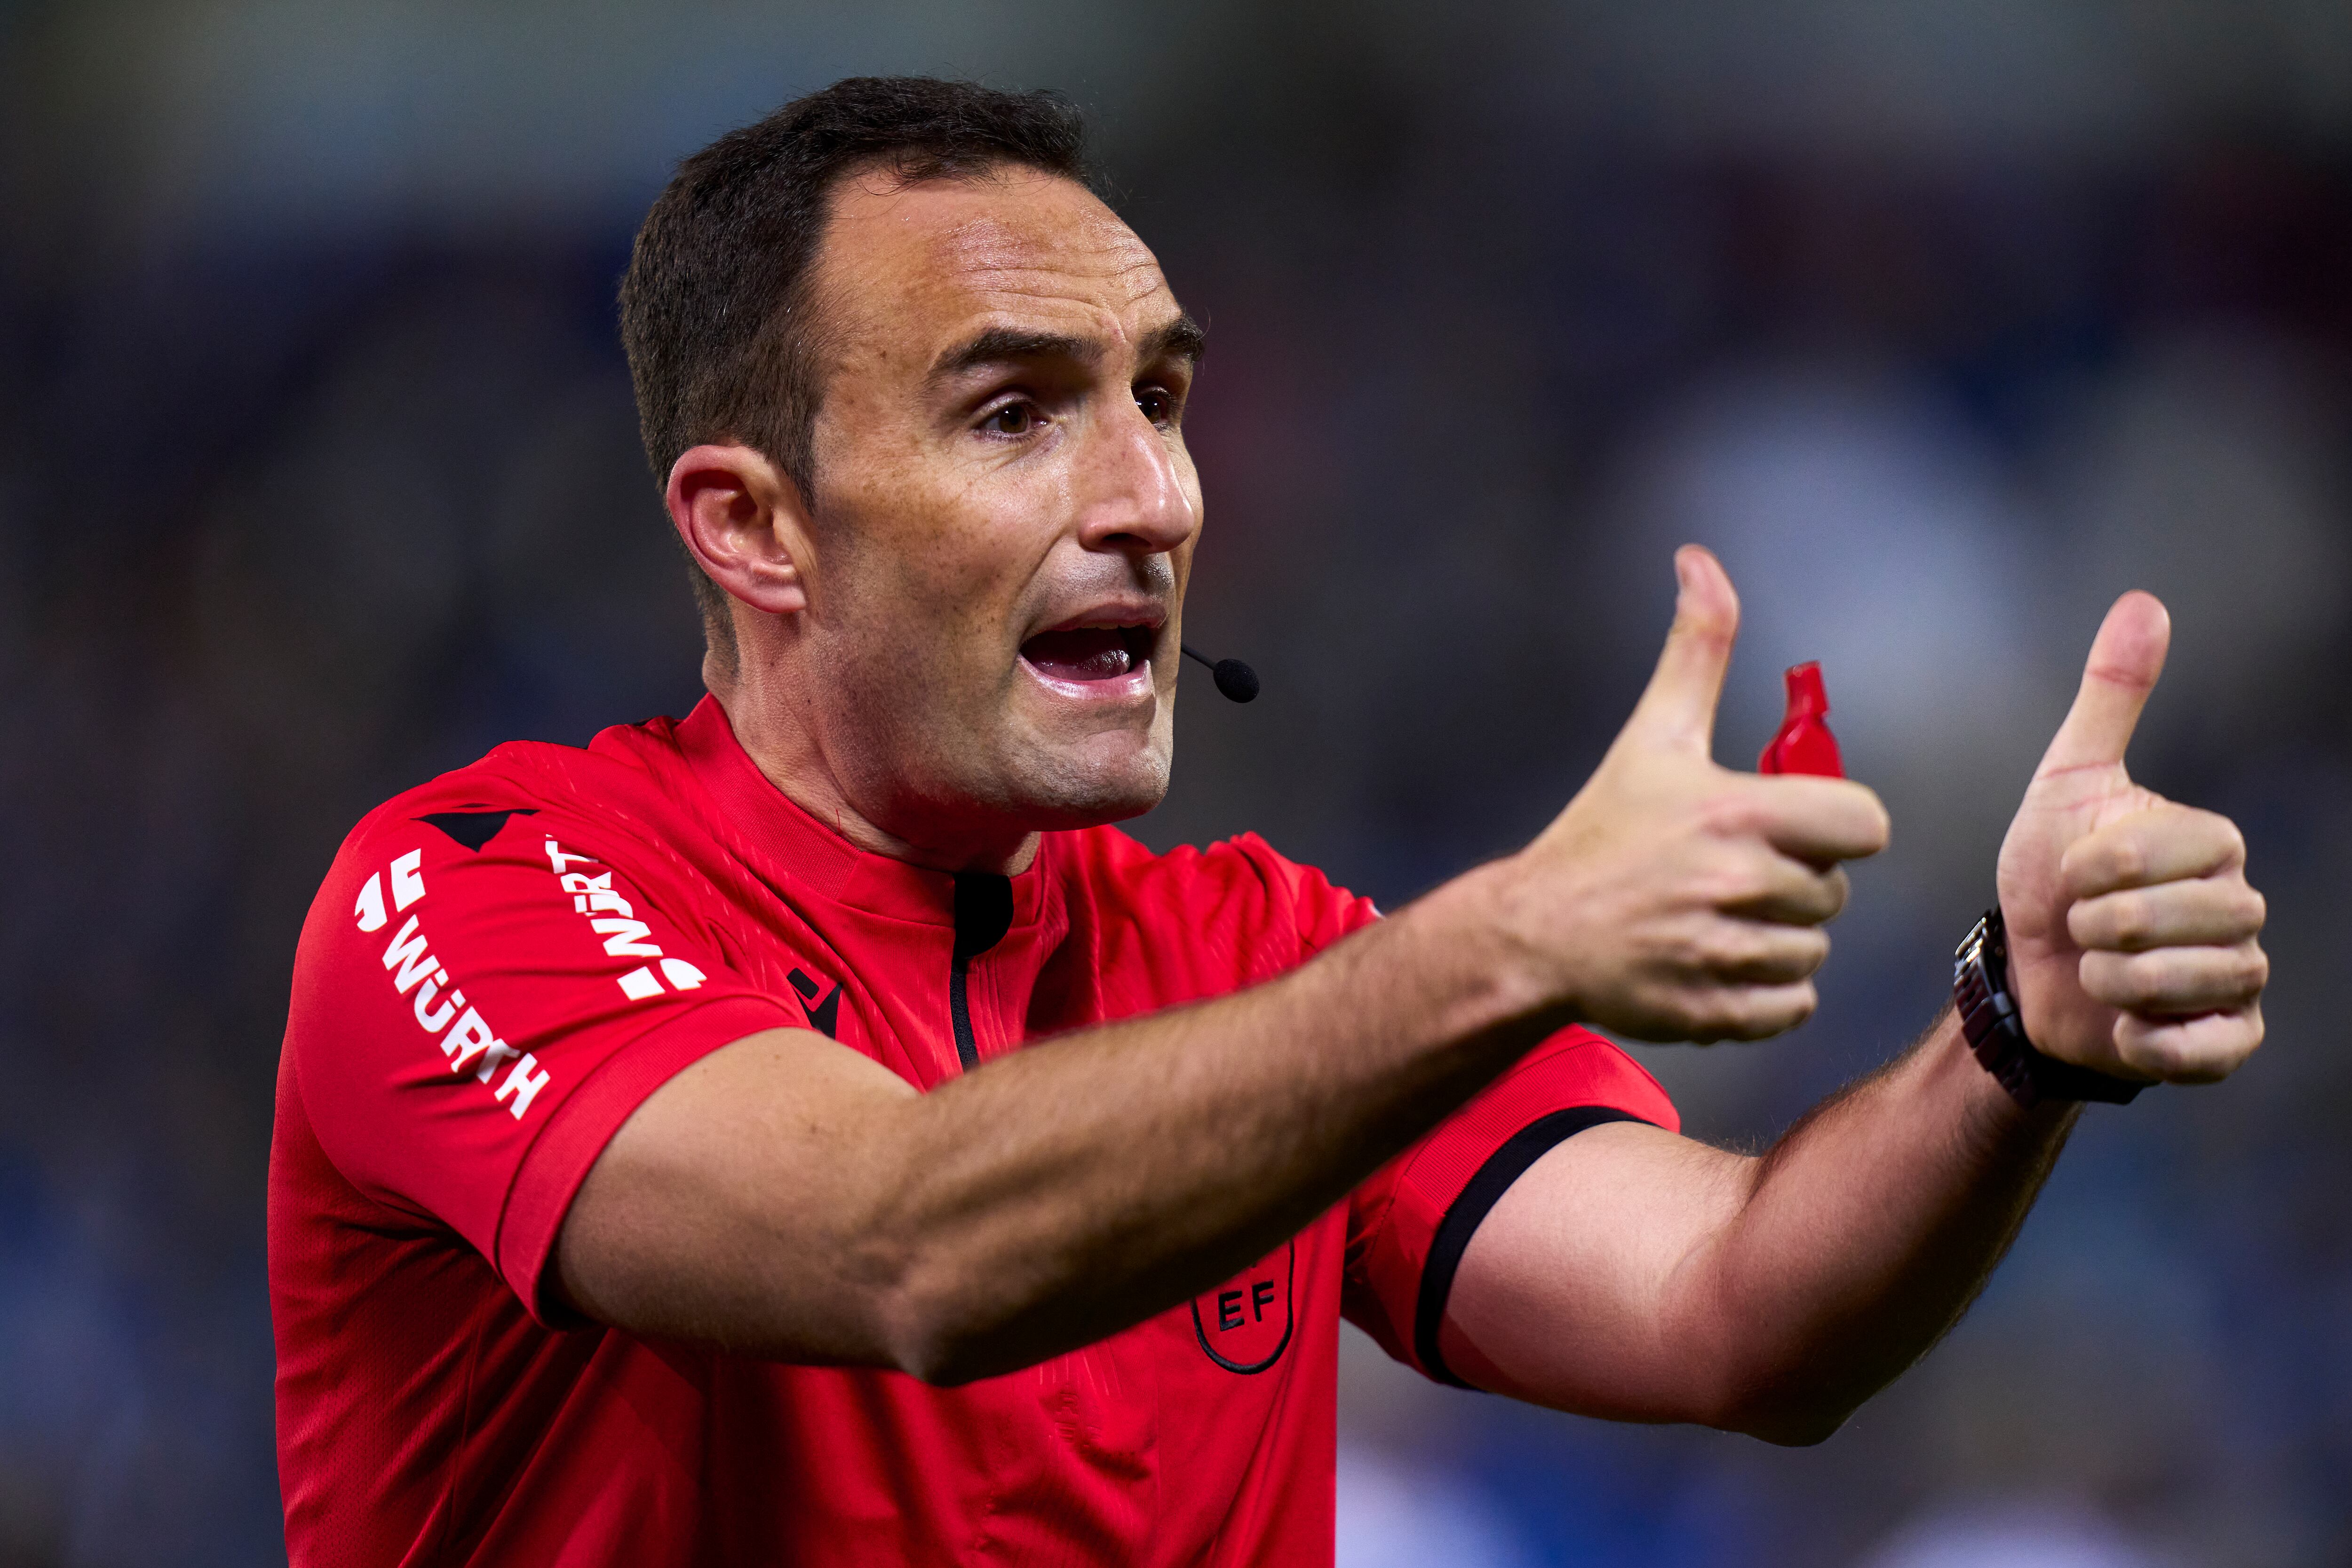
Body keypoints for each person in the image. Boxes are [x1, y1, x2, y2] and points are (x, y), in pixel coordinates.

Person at [266, 77, 2269, 1566]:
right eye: (1014, 411)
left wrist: (2011, 1032)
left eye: (1159, 393)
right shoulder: (469, 896)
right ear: (754, 528)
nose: (1153, 493)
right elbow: (905, 1244)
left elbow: (1736, 1310)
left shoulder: (1261, 961)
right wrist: (1502, 942)